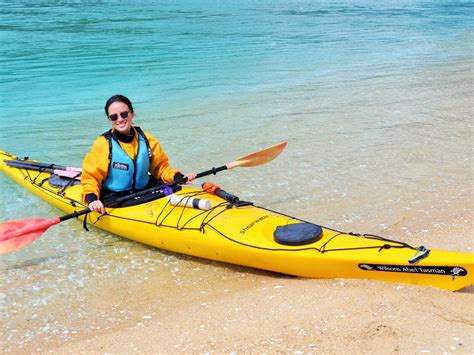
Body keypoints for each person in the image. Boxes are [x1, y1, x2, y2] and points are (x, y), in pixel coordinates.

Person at [82, 94, 196, 213]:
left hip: (145, 190)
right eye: (114, 117)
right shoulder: (103, 144)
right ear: (109, 119)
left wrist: (178, 177)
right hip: (115, 196)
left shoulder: (147, 140)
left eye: (124, 114)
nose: (120, 119)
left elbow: (161, 169)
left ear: (132, 113)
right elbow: (91, 177)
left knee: (174, 187)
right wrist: (92, 199)